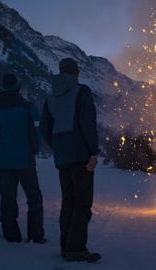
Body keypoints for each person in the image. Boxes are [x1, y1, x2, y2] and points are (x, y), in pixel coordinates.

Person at [40, 58, 100, 263]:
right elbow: (88, 123)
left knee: (68, 201)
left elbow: (45, 129)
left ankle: (66, 245)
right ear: (76, 73)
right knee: (82, 203)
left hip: (62, 158)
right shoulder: (81, 91)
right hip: (81, 156)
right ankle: (76, 249)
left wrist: (58, 146)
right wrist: (93, 151)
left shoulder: (50, 97)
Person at [0, 73, 46, 244]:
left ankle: (11, 235)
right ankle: (35, 235)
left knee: (7, 198)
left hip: (4, 161)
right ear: (18, 88)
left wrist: (1, 149)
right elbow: (37, 130)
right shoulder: (27, 108)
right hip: (24, 159)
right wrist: (33, 149)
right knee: (34, 197)